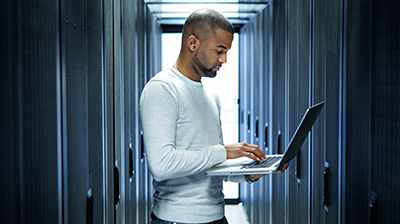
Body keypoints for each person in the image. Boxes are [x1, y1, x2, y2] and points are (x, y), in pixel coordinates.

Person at [140, 8, 289, 224]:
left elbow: (213, 167)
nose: (225, 59)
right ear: (193, 43)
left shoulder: (210, 94)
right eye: (220, 50)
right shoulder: (162, 89)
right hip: (176, 220)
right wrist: (224, 151)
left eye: (227, 51)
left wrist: (254, 173)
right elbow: (162, 166)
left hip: (218, 218)